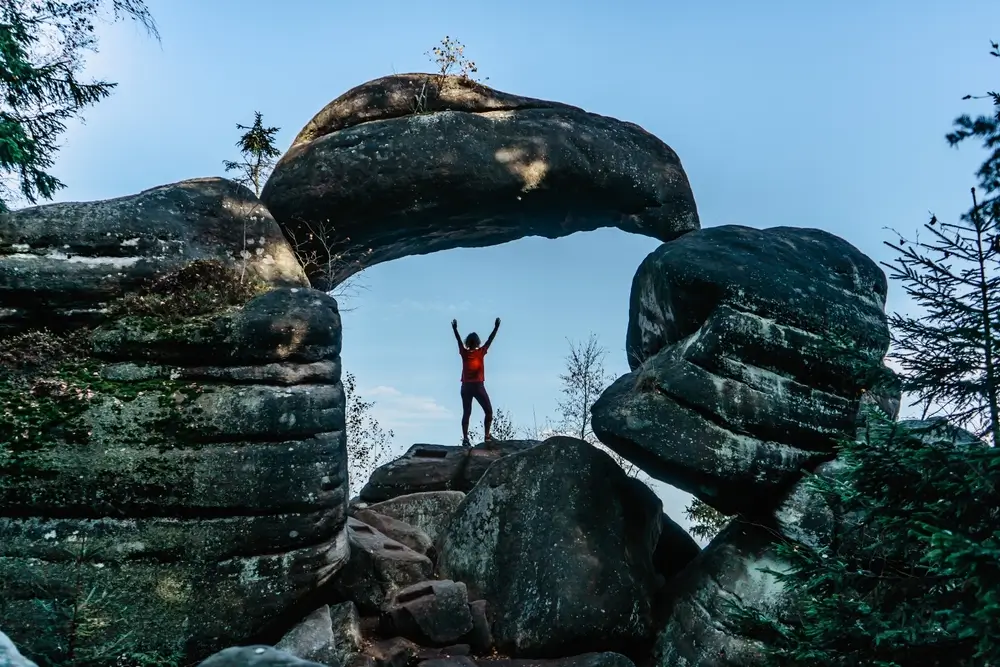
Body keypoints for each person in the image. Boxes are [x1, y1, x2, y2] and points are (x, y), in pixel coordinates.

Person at [452, 317, 500, 446]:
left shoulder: (464, 352)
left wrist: (455, 329)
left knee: (467, 412)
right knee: (488, 411)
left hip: (466, 387)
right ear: (478, 342)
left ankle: (466, 438)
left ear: (468, 342)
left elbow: (458, 340)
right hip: (478, 387)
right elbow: (490, 339)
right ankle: (487, 436)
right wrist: (496, 327)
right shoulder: (481, 352)